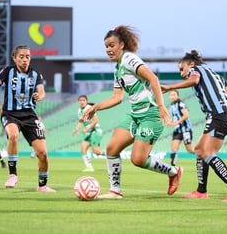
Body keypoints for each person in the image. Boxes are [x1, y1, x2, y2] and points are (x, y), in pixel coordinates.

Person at [83, 25, 183, 199]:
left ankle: (173, 172)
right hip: (135, 115)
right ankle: (115, 191)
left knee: (138, 160)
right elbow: (117, 98)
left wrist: (160, 106)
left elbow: (153, 78)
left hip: (150, 114)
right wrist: (95, 107)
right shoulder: (117, 69)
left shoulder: (129, 59)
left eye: (112, 45)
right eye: (106, 46)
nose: (108, 49)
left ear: (122, 45)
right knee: (112, 148)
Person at [161, 50, 227, 201]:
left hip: (218, 116)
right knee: (199, 150)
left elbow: (194, 80)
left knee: (208, 153)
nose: (182, 73)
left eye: (182, 69)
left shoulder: (195, 69)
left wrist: (169, 87)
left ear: (191, 64)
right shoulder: (216, 75)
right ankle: (201, 191)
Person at [0, 45, 55, 192]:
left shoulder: (36, 74)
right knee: (13, 135)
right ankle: (12, 174)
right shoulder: (8, 71)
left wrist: (39, 96)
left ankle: (42, 185)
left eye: (28, 57)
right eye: (21, 57)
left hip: (29, 115)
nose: (25, 60)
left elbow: (42, 92)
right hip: (10, 114)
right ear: (14, 58)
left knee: (43, 154)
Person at [71, 95, 105, 172]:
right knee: (83, 149)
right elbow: (81, 121)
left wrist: (87, 128)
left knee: (96, 151)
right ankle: (89, 167)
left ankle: (110, 154)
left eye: (83, 100)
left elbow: (96, 121)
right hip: (88, 132)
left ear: (86, 101)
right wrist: (76, 129)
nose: (82, 102)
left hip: (95, 131)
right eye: (80, 100)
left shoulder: (89, 109)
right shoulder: (79, 110)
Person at [167, 89, 194, 166]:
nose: (172, 96)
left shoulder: (180, 104)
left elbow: (186, 115)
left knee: (190, 150)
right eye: (171, 95)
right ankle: (172, 166)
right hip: (177, 130)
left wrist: (176, 123)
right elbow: (175, 116)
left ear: (177, 96)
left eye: (174, 95)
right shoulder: (171, 106)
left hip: (186, 130)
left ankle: (202, 155)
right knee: (173, 148)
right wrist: (170, 122)